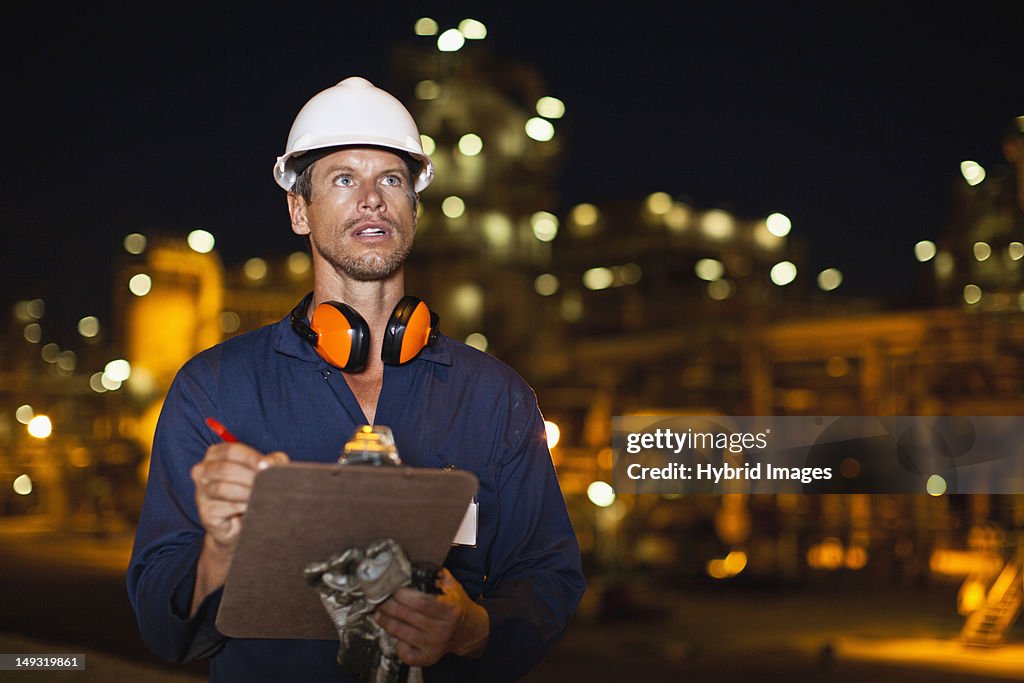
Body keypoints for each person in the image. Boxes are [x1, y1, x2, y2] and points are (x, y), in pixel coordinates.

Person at [126, 76, 586, 682]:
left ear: (413, 211)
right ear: (299, 210)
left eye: (391, 180)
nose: (372, 198)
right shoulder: (215, 388)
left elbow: (548, 577)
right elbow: (162, 627)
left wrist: (472, 628)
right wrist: (220, 552)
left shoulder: (494, 396)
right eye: (344, 179)